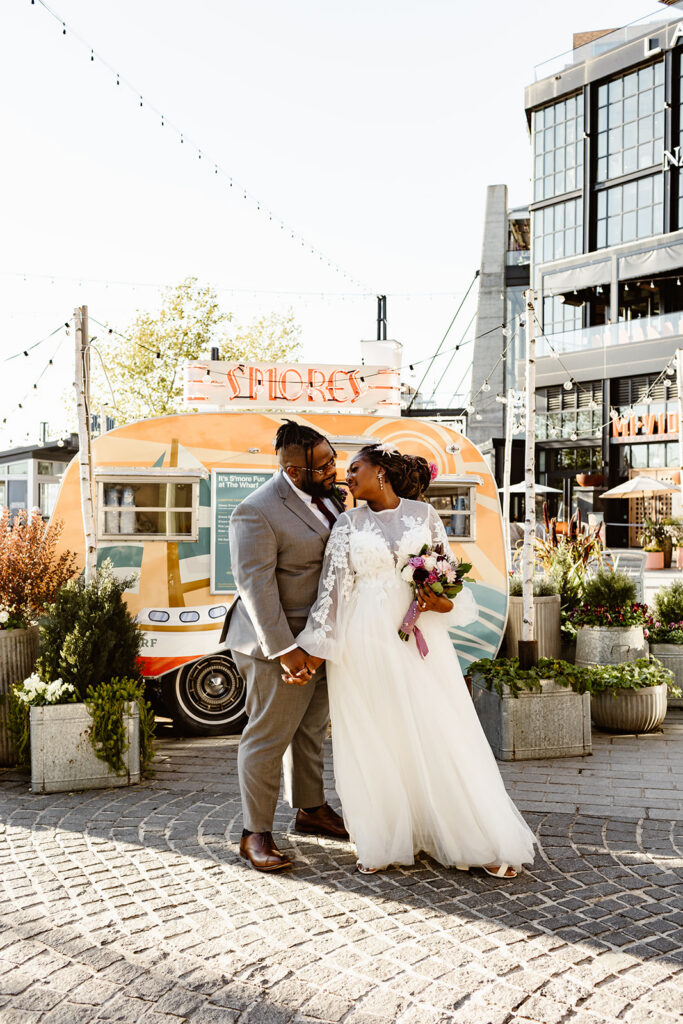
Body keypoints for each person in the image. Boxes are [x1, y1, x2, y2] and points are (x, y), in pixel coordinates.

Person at [290, 443, 536, 877]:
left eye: (355, 468)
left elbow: (449, 578)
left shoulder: (424, 516)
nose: (348, 476)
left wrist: (437, 601)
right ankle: (384, 839)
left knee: (439, 727)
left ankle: (475, 840)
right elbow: (331, 597)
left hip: (419, 638)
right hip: (362, 642)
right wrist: (312, 654)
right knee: (376, 736)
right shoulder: (346, 525)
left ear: (380, 470)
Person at [221, 420, 349, 871]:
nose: (335, 468)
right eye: (325, 463)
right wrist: (285, 650)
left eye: (333, 457)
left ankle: (311, 810)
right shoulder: (255, 511)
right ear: (295, 472)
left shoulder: (330, 497)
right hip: (276, 644)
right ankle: (253, 833)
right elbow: (255, 587)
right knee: (268, 736)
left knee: (310, 731)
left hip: (319, 641)